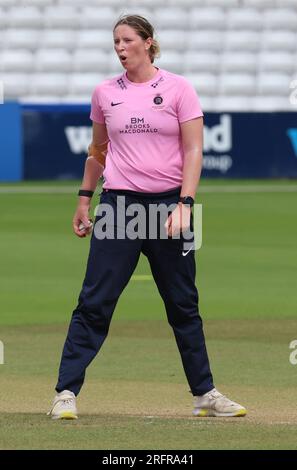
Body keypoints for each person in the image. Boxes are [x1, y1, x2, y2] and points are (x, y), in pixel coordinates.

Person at [48, 14, 246, 420]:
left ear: (148, 43)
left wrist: (185, 205)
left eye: (127, 40)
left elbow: (194, 151)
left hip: (170, 206)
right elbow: (98, 150)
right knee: (95, 301)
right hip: (118, 206)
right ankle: (66, 392)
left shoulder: (179, 89)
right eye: (116, 41)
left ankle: (204, 394)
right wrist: (85, 198)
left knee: (183, 303)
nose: (120, 48)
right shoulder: (104, 93)